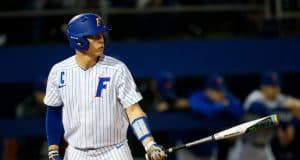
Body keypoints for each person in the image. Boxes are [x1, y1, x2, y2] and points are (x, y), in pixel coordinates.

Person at [44, 13, 167, 160]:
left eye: (101, 35)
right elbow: (53, 110)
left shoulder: (117, 68)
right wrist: (53, 149)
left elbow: (133, 110)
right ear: (78, 40)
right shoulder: (59, 71)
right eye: (94, 36)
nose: (101, 40)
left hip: (114, 151)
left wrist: (149, 144)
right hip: (76, 152)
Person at [229, 71, 300, 160]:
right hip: (246, 148)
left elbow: (295, 104)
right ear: (263, 87)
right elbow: (258, 108)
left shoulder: (279, 99)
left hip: (265, 148)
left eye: (277, 86)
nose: (275, 89)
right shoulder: (255, 97)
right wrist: (282, 120)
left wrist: (291, 121)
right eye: (271, 86)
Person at [177, 74, 243, 160]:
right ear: (208, 90)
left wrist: (223, 105)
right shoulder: (197, 96)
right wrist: (223, 105)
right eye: (217, 91)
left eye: (222, 91)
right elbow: (207, 111)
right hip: (189, 151)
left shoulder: (225, 96)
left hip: (209, 150)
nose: (221, 94)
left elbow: (239, 110)